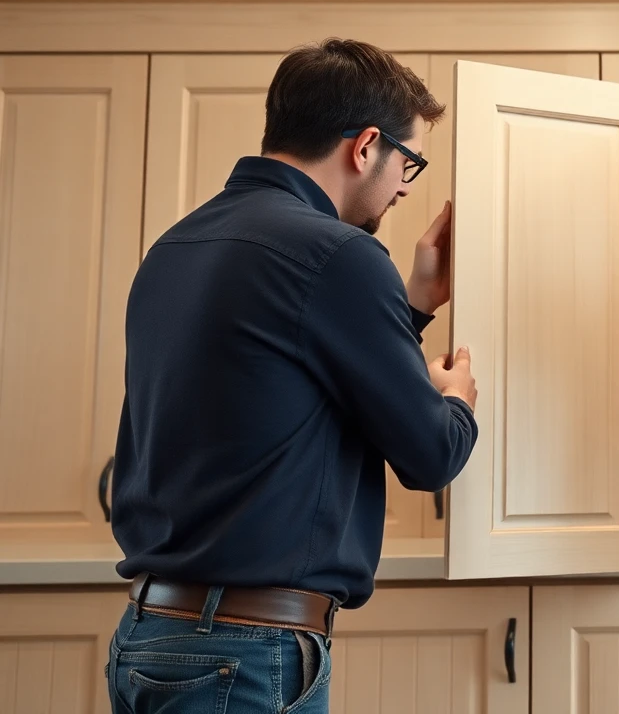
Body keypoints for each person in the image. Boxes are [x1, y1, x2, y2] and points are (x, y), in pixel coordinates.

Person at [105, 38, 478, 714]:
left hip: (147, 637)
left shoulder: (176, 244)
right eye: (408, 162)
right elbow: (430, 454)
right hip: (241, 657)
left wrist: (413, 306)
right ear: (366, 146)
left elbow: (284, 387)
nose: (403, 186)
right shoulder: (340, 254)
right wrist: (456, 401)